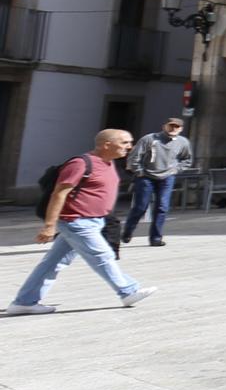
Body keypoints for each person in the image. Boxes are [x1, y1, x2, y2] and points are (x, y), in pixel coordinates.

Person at [7, 129, 158, 316]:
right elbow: (59, 193)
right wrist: (49, 225)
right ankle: (127, 291)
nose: (130, 146)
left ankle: (24, 302)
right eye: (125, 142)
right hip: (76, 221)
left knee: (53, 263)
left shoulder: (108, 163)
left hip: (95, 221)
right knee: (102, 256)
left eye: (130, 142)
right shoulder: (80, 164)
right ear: (107, 144)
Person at [123, 117, 193, 246]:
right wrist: (139, 171)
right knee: (140, 207)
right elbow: (134, 157)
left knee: (162, 207)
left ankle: (156, 238)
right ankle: (128, 231)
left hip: (167, 177)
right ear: (164, 126)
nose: (173, 129)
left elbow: (187, 160)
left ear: (181, 129)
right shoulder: (150, 139)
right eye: (170, 126)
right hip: (146, 176)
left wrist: (176, 170)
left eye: (176, 127)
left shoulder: (183, 142)